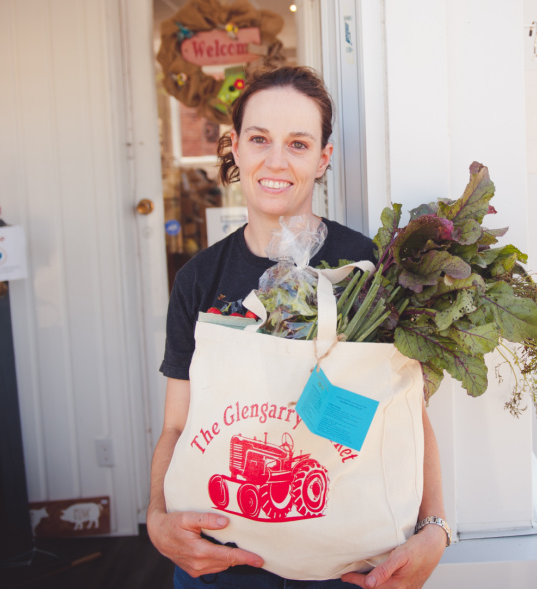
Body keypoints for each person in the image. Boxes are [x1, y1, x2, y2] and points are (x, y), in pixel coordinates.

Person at [146, 66, 448, 588]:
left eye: (299, 143)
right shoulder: (199, 279)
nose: (276, 161)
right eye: (260, 139)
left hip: (346, 562)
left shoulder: (367, 266)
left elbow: (408, 415)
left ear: (323, 158)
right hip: (223, 561)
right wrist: (156, 521)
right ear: (235, 147)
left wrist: (436, 529)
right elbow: (177, 425)